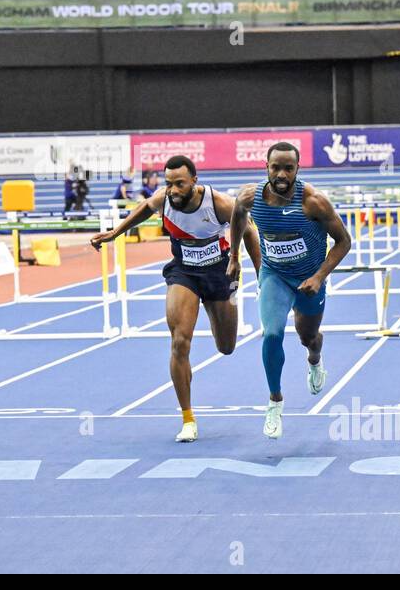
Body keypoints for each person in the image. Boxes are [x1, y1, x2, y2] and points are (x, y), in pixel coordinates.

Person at [91, 156, 261, 442]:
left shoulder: (218, 203)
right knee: (180, 341)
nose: (173, 190)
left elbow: (250, 232)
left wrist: (261, 277)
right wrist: (115, 233)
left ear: (194, 181)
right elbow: (146, 207)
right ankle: (188, 418)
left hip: (220, 275)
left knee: (227, 346)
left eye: (179, 183)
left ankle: (213, 309)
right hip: (184, 274)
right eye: (169, 183)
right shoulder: (164, 199)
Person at [227, 142, 352, 439]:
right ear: (266, 167)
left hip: (309, 279)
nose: (281, 174)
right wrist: (234, 257)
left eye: (288, 168)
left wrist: (320, 276)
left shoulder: (314, 202)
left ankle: (314, 359)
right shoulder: (249, 196)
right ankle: (275, 401)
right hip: (275, 275)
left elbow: (344, 241)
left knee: (308, 336)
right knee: (271, 333)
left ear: (297, 169)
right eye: (275, 167)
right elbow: (237, 217)